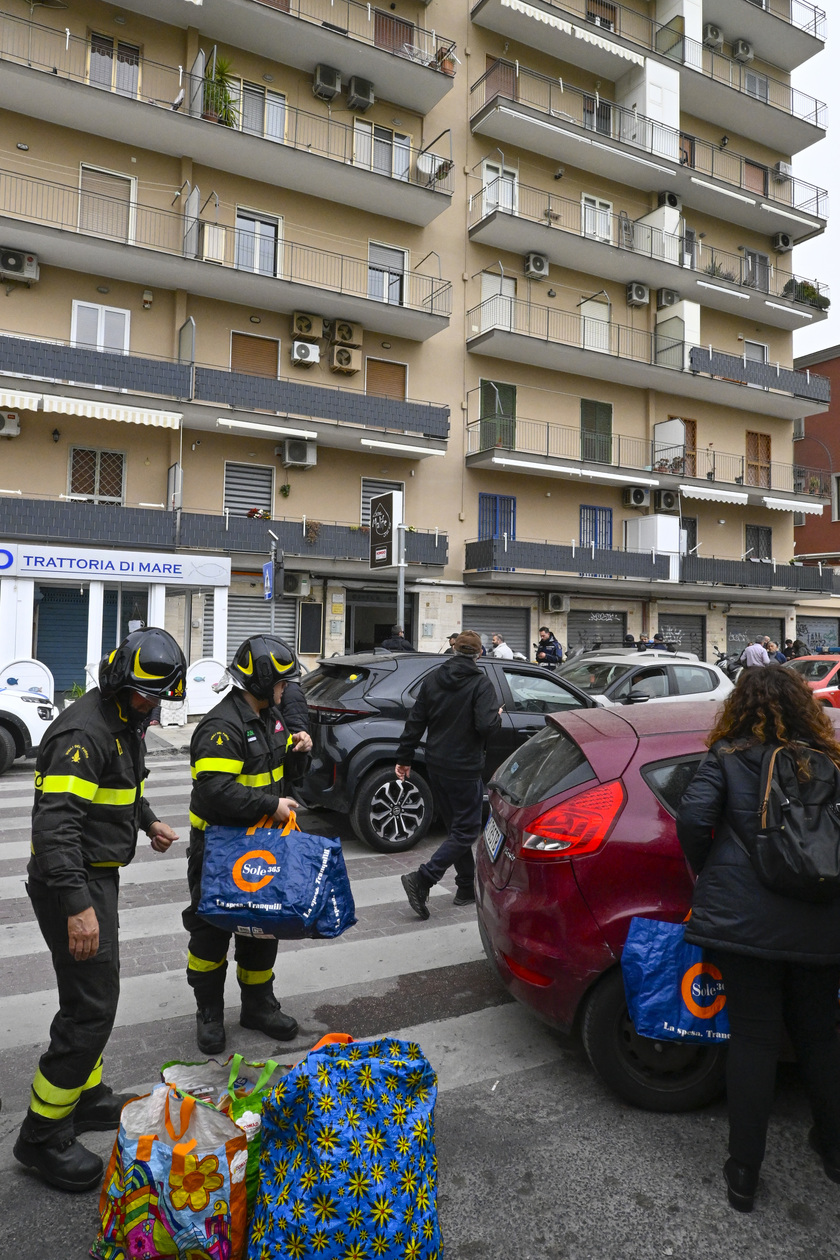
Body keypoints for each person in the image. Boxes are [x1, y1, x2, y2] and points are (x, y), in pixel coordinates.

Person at [14, 628, 186, 1192]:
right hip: (74, 882)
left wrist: (148, 819)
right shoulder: (84, 732)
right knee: (92, 1007)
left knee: (84, 996)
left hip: (92, 877)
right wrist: (77, 907)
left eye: (157, 697)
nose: (151, 705)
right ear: (118, 682)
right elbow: (56, 824)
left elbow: (118, 788)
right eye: (144, 695)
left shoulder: (121, 720)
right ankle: (41, 1137)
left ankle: (85, 1099)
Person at [676, 667, 840, 1212]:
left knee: (752, 1040)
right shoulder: (830, 757)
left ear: (739, 706)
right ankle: (835, 1154)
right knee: (820, 1037)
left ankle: (743, 1175)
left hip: (746, 923)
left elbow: (694, 818)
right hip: (821, 921)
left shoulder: (727, 754)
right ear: (803, 706)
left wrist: (713, 873)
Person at [184, 635, 310, 1055]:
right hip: (218, 849)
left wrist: (298, 751)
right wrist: (269, 804)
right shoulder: (222, 726)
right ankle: (209, 1014)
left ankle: (258, 1006)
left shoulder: (270, 717)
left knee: (261, 927)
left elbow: (279, 772)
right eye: (280, 682)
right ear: (260, 681)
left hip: (261, 845)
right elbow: (214, 791)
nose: (285, 689)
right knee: (211, 934)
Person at [394, 631, 502, 917]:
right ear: (479, 655)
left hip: (437, 765)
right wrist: (498, 716)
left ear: (454, 650)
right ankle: (423, 878)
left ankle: (466, 887)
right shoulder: (481, 684)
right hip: (464, 767)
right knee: (467, 830)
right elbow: (485, 726)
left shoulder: (433, 680)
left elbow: (415, 721)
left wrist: (404, 758)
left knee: (458, 829)